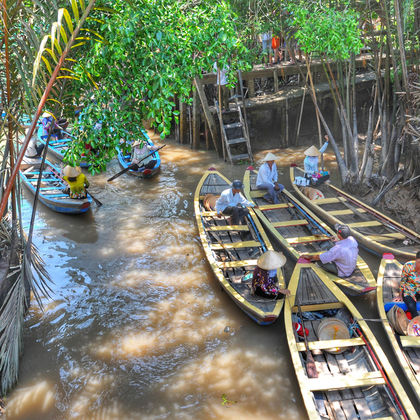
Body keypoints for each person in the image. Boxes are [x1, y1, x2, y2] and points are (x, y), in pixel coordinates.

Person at [394, 251, 420, 319]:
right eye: (419, 262)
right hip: (409, 291)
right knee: (412, 307)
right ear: (416, 260)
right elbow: (403, 281)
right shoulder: (408, 266)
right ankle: (416, 323)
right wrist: (400, 296)